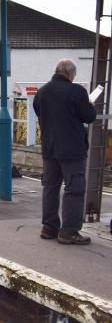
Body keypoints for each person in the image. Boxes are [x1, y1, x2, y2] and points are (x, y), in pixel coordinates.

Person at [33, 58, 96, 245]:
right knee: (74, 189)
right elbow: (89, 116)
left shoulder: (42, 92)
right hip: (72, 149)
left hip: (49, 148)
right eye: (74, 75)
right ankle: (69, 231)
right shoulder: (77, 91)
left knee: (50, 187)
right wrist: (89, 103)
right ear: (70, 73)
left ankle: (49, 227)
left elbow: (40, 112)